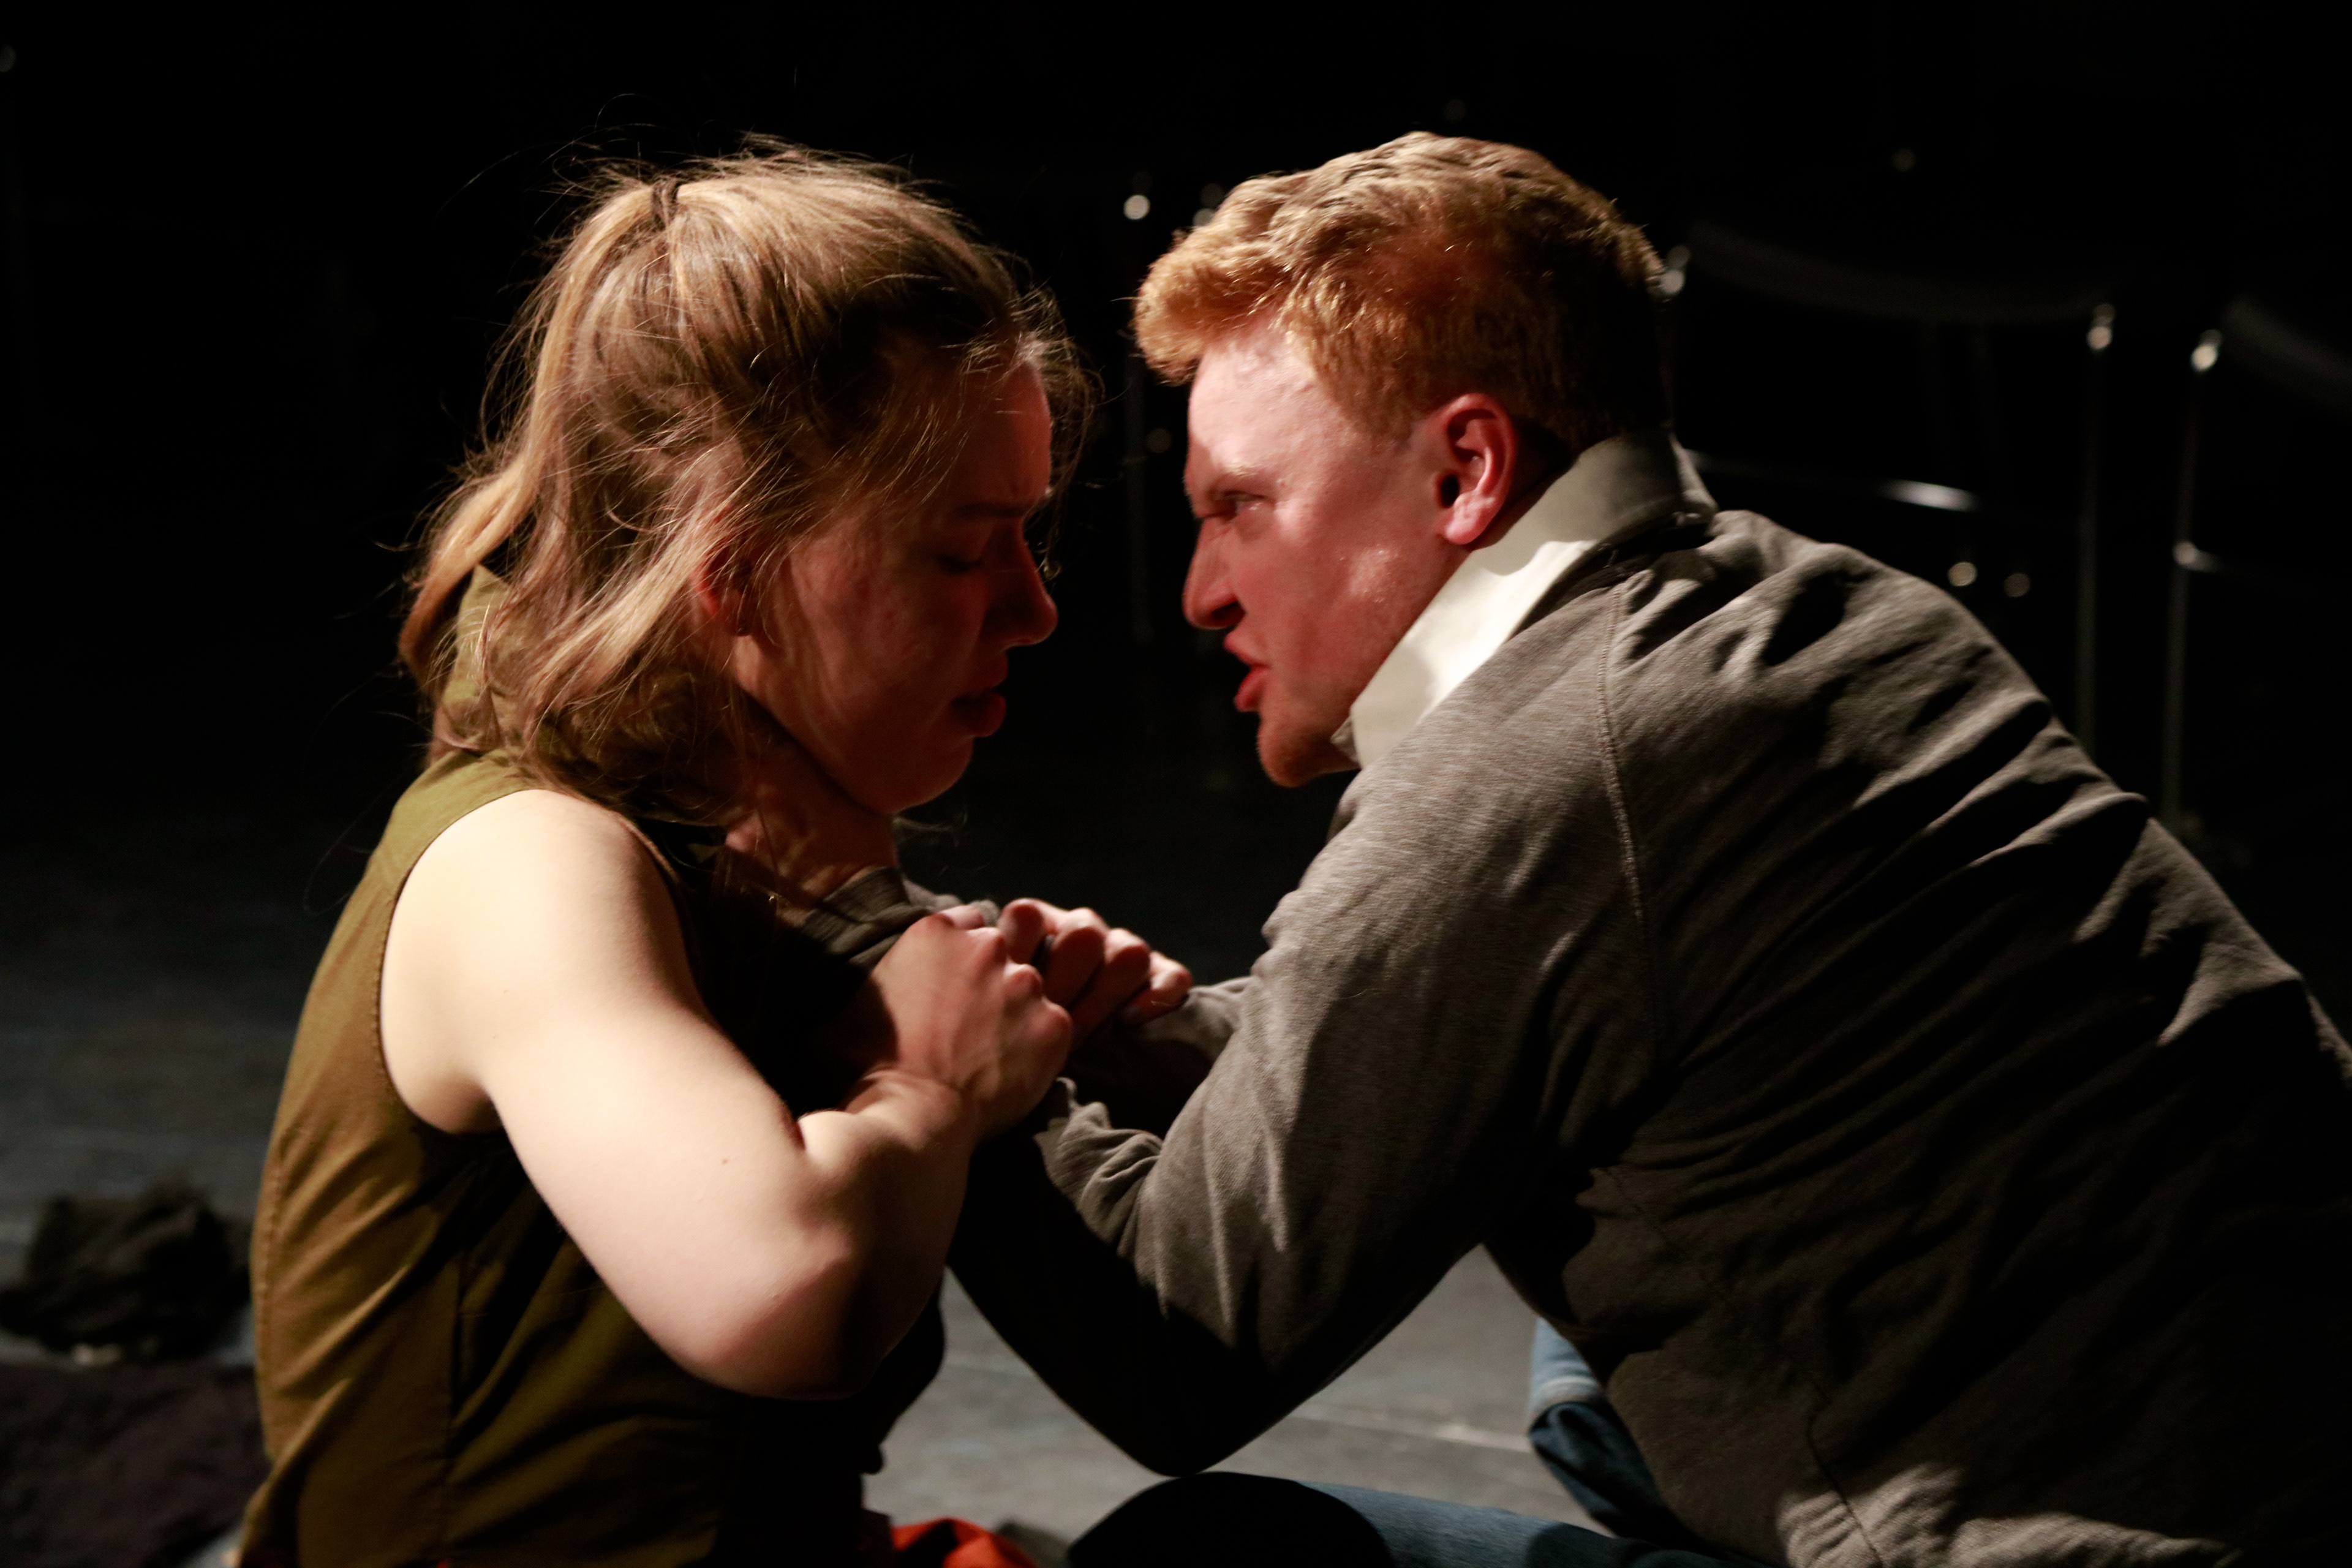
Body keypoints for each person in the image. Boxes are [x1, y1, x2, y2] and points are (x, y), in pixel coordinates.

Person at [956, 134, 2352, 1566]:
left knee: (1210, 1555)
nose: (1204, 590)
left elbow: (1174, 1345)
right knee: (1586, 1370)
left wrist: (934, 1036)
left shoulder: (1531, 771)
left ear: (1465, 471)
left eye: (1240, 506)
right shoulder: (1835, 608)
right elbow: (1519, 1011)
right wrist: (1166, 1044)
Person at [239, 147, 1185, 1568]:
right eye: (961, 551)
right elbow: (783, 1291)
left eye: (1030, 537)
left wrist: (1018, 1012)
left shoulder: (743, 849)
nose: (1034, 608)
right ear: (735, 572)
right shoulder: (526, 863)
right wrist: (927, 1081)